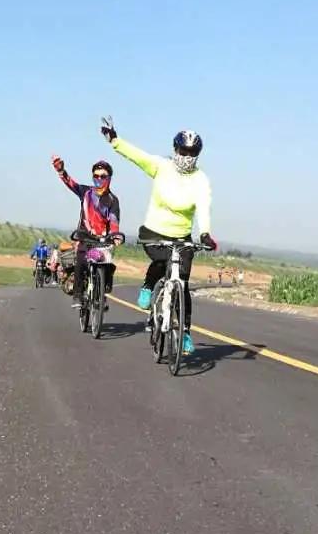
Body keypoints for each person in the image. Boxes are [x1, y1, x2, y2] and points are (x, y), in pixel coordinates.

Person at [101, 118, 217, 356]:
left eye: (192, 152)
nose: (186, 156)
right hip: (154, 231)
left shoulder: (201, 179)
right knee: (162, 261)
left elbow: (204, 206)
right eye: (183, 151)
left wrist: (205, 233)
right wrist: (115, 140)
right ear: (175, 150)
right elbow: (137, 155)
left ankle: (184, 333)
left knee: (182, 282)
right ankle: (147, 285)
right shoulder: (161, 167)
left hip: (181, 236)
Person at [50, 153, 123, 306]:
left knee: (108, 265)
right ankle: (77, 295)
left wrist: (115, 236)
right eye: (96, 176)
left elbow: (114, 220)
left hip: (103, 240)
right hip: (85, 237)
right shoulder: (86, 192)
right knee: (81, 262)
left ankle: (102, 290)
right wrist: (61, 171)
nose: (99, 179)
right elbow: (72, 184)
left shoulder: (112, 200)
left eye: (103, 176)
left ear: (109, 178)